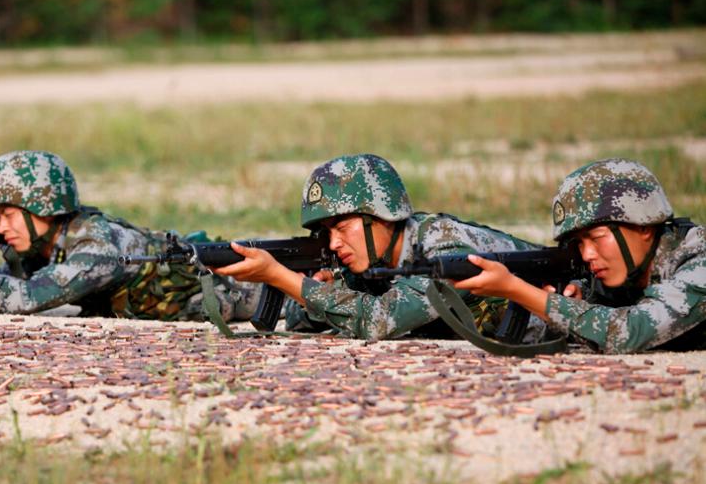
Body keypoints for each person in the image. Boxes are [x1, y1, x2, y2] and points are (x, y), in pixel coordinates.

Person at [0, 150, 260, 320]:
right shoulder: (49, 244)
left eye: (8, 214)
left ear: (44, 207)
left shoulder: (95, 245)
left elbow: (25, 299)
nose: (0, 226)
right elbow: (25, 286)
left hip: (253, 295)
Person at [212, 153, 544, 341]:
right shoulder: (374, 262)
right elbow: (300, 321)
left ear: (383, 217)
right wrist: (319, 292)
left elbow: (379, 321)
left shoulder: (442, 245)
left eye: (342, 227)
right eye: (326, 233)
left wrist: (278, 276)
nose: (334, 242)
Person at [452, 158, 705, 353]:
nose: (587, 254)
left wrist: (518, 290)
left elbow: (630, 332)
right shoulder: (624, 274)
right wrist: (578, 299)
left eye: (596, 237)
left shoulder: (697, 260)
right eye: (578, 244)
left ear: (644, 226)